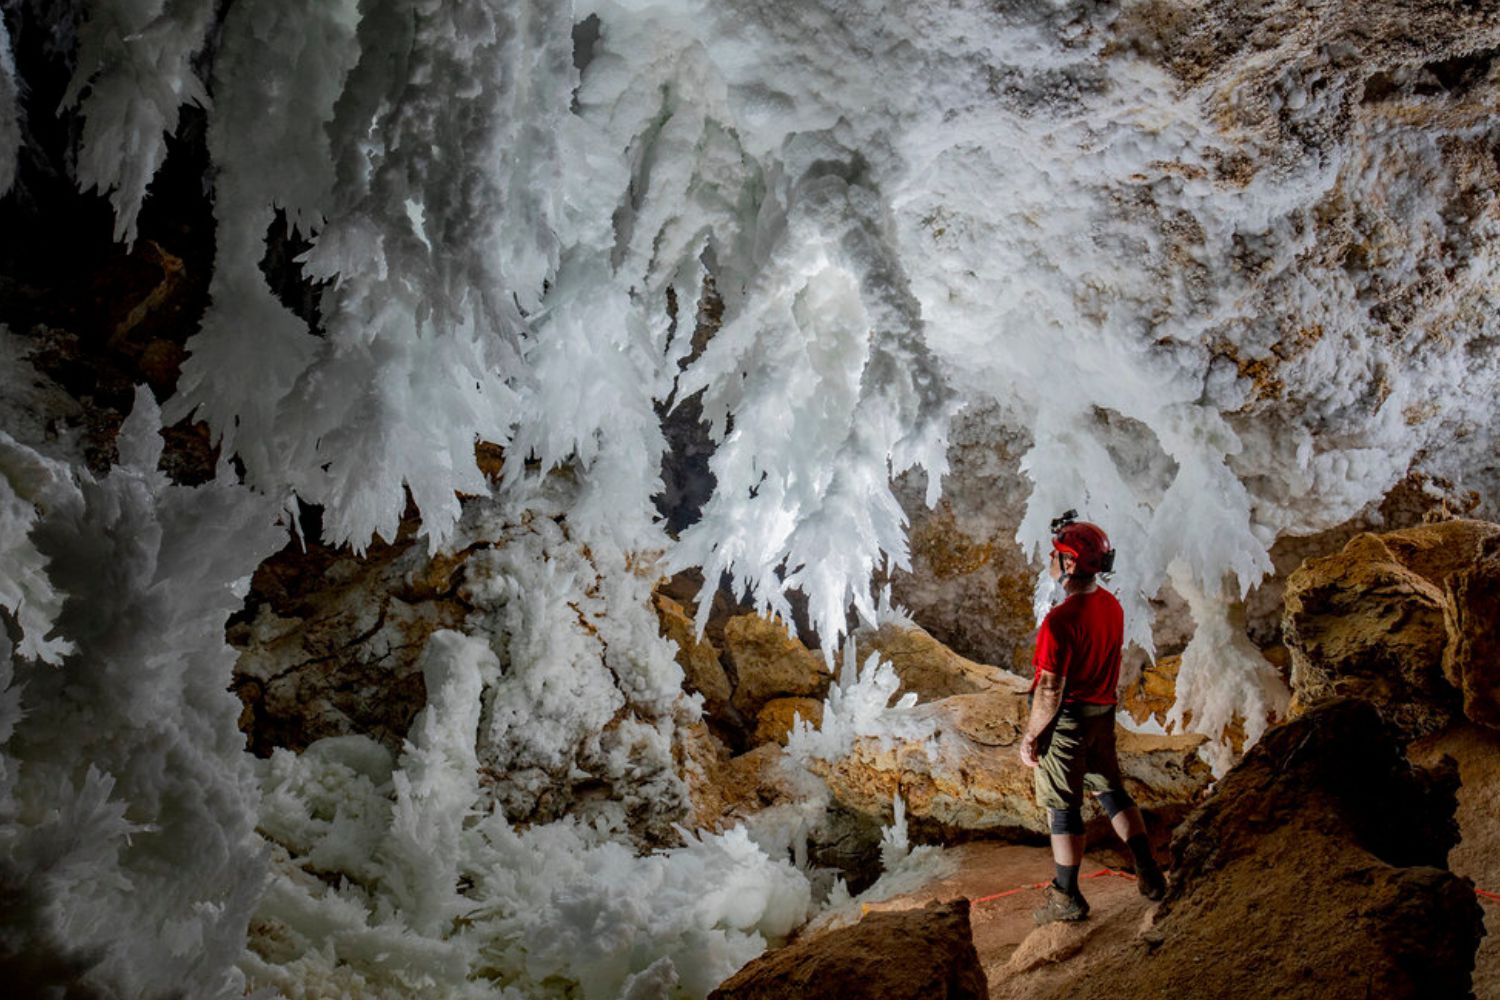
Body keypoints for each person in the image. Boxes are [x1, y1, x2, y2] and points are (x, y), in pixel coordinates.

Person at [1018, 511, 1166, 924]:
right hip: (1102, 717)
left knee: (1062, 809)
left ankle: (1066, 896)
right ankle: (1149, 873)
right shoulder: (1112, 607)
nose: (1050, 559)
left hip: (1066, 722)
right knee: (1112, 792)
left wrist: (1032, 736)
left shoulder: (1060, 622)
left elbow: (1050, 689)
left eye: (1056, 553)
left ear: (1069, 564)